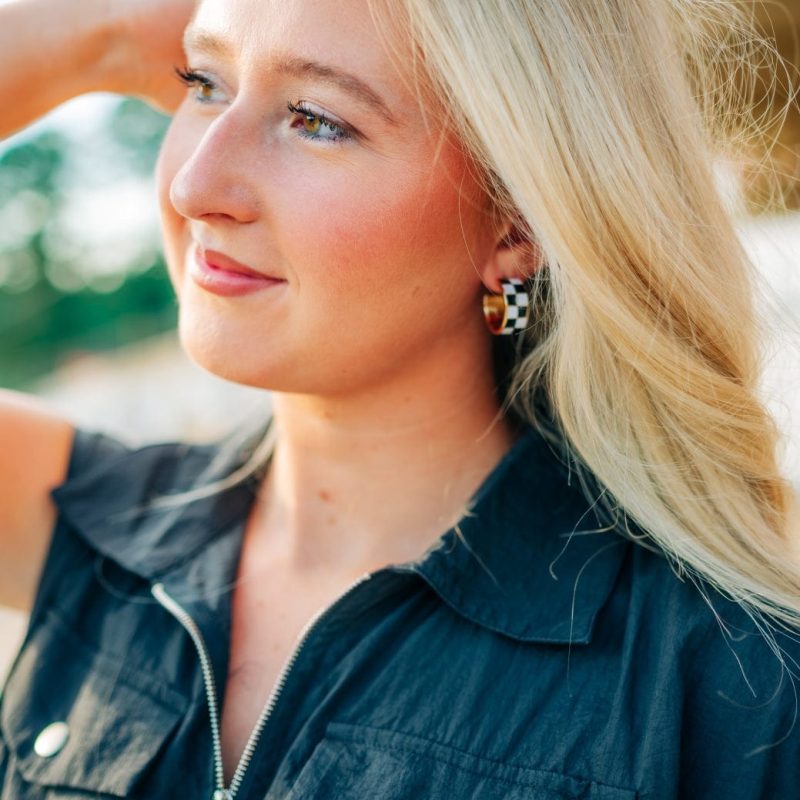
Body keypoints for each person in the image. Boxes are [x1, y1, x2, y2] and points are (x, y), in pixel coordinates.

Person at [1, 0, 799, 797]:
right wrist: (102, 34)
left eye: (314, 119)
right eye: (202, 82)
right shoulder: (100, 532)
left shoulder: (727, 681)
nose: (193, 183)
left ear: (515, 226)